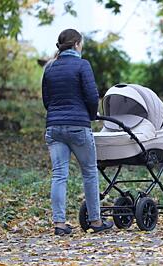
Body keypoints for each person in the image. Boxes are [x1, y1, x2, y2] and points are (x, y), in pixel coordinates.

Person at [42, 28, 112, 235]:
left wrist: (57, 115)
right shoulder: (82, 65)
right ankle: (96, 221)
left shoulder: (50, 67)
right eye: (81, 44)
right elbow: (92, 96)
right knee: (90, 172)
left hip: (54, 128)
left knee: (59, 175)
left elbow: (47, 100)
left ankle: (59, 224)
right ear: (76, 44)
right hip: (78, 126)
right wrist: (91, 115)